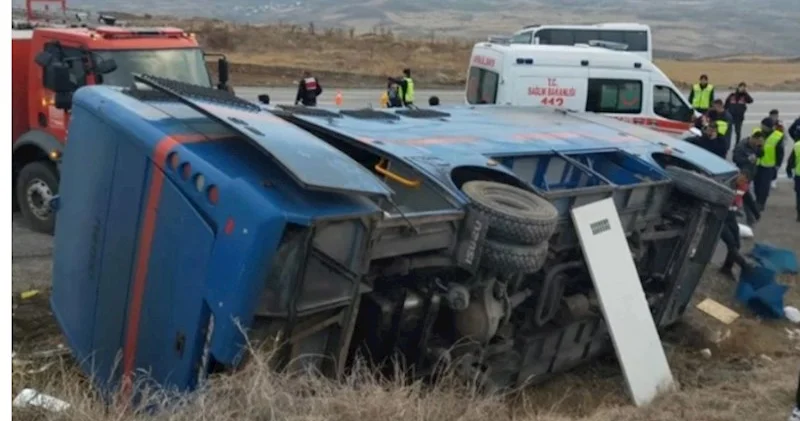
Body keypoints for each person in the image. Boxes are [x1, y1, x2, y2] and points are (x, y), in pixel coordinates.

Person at [718, 173, 754, 280]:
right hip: (720, 218)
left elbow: (748, 199)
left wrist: (755, 213)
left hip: (731, 217)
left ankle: (726, 268)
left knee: (736, 244)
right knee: (731, 243)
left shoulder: (742, 187)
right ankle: (744, 266)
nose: (744, 183)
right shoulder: (727, 185)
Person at [752, 118, 785, 211]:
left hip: (769, 165)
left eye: (764, 126)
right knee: (756, 184)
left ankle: (761, 203)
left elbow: (780, 152)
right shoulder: (757, 132)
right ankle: (758, 200)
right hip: (757, 163)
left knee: (764, 186)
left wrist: (778, 165)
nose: (762, 127)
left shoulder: (777, 136)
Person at [732, 131, 764, 225]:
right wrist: (747, 159)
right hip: (743, 175)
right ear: (753, 138)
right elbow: (735, 159)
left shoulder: (756, 145)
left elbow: (761, 154)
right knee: (745, 196)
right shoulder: (741, 146)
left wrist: (760, 147)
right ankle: (752, 216)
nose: (757, 144)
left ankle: (752, 216)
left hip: (751, 174)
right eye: (757, 141)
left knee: (744, 196)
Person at [787, 133, 800, 222]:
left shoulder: (797, 145)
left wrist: (788, 170)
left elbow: (791, 160)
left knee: (799, 196)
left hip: (799, 175)